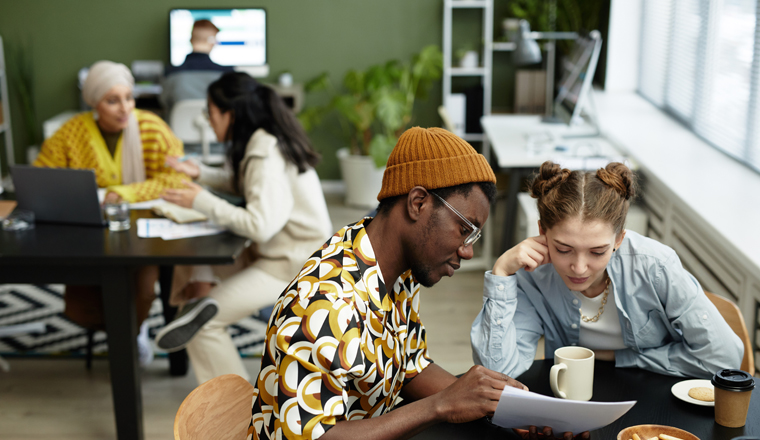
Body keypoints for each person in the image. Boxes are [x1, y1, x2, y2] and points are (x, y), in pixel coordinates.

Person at [248, 128, 586, 440]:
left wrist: (500, 406)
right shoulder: (323, 306)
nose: (467, 251)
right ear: (418, 203)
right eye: (464, 229)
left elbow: (409, 365)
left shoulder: (389, 261)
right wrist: (440, 405)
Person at [471, 161, 743, 380]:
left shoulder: (655, 266)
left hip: (658, 399)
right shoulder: (532, 275)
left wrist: (622, 358)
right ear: (542, 232)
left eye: (598, 252)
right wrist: (501, 275)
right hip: (575, 402)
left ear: (619, 240)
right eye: (563, 249)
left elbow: (724, 358)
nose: (578, 267)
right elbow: (497, 374)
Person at [157, 71, 333, 385]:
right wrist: (202, 174)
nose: (208, 121)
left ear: (230, 114)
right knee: (197, 268)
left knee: (203, 325)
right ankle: (198, 303)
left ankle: (237, 418)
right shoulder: (265, 140)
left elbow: (260, 225)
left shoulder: (263, 153)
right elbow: (251, 187)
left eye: (210, 114)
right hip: (293, 257)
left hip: (293, 268)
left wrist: (201, 201)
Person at [33, 60, 186, 365]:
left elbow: (176, 177)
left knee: (143, 283)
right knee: (88, 285)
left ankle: (133, 330)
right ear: (93, 102)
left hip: (144, 229)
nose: (124, 108)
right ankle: (120, 330)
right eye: (112, 101)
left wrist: (126, 192)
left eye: (129, 98)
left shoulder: (152, 128)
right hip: (93, 229)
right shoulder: (71, 133)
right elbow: (42, 178)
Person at [161, 19, 234, 112]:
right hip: (216, 126)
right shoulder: (227, 74)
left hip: (177, 126)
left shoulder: (170, 72)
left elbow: (164, 102)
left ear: (191, 40)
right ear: (212, 42)